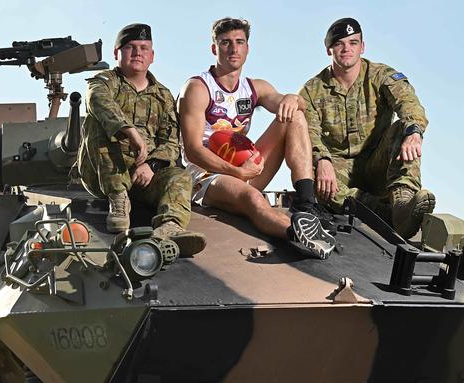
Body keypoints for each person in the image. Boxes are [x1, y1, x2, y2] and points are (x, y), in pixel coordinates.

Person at [178, 17, 335, 260]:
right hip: (207, 176)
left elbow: (291, 103)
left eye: (239, 42)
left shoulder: (255, 87)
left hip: (246, 168)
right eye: (226, 42)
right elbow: (192, 150)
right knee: (254, 197)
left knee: (294, 116)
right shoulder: (198, 88)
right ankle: (296, 233)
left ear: (247, 49)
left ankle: (306, 204)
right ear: (214, 48)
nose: (233, 48)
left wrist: (294, 99)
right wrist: (237, 173)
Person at [77, 23, 206, 257]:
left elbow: (170, 142)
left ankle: (169, 226)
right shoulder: (103, 82)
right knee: (97, 121)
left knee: (180, 175)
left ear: (152, 56)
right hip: (102, 175)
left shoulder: (163, 95)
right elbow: (97, 100)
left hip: (143, 175)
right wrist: (129, 131)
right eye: (130, 47)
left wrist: (151, 165)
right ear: (117, 53)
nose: (137, 53)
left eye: (144, 48)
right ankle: (117, 198)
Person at [299, 18, 435, 239]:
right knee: (310, 172)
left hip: (377, 162)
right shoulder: (311, 91)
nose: (347, 49)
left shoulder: (379, 75)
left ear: (362, 47)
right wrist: (322, 160)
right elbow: (307, 132)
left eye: (353, 43)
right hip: (338, 170)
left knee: (404, 128)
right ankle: (384, 214)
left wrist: (414, 133)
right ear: (329, 49)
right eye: (340, 44)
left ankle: (402, 202)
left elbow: (408, 102)